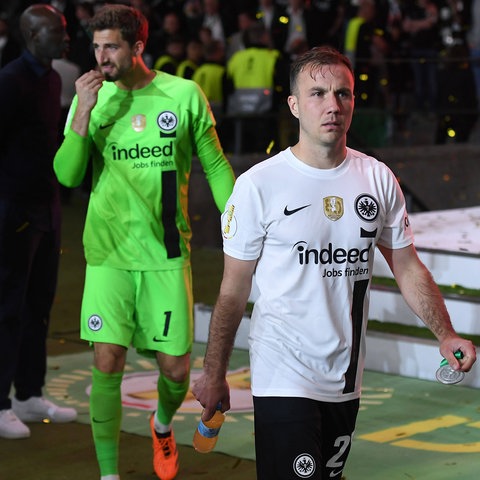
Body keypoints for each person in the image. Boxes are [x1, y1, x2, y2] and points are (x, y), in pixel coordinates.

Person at [191, 46, 477, 480]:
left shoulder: (377, 179)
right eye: (318, 93)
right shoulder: (258, 186)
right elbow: (232, 290)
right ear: (293, 105)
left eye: (342, 94)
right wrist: (214, 373)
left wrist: (445, 332)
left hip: (345, 379)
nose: (332, 105)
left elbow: (407, 265)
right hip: (282, 374)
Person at [53, 4, 235, 480]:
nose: (101, 56)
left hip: (166, 256)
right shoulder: (90, 99)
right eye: (96, 47)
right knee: (106, 359)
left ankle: (161, 424)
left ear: (137, 47)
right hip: (107, 255)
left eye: (111, 46)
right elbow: (67, 175)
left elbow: (214, 165)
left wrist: (238, 220)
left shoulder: (183, 95)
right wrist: (82, 114)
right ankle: (109, 475)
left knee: (176, 371)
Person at [0, 4, 78, 440]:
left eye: (64, 30)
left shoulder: (51, 79)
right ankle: (0, 401)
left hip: (46, 210)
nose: (65, 39)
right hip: (14, 211)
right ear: (33, 36)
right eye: (55, 32)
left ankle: (29, 393)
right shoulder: (10, 81)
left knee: (39, 306)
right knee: (8, 308)